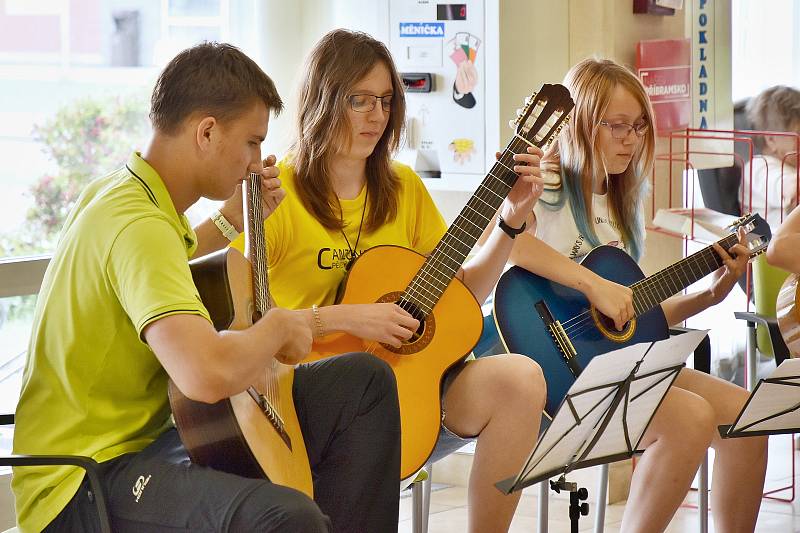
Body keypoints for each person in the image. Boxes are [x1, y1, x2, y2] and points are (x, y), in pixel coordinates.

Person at [12, 42, 402, 533]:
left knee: (361, 383)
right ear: (207, 131)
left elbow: (169, 261)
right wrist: (283, 325)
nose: (259, 160)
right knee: (287, 518)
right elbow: (204, 374)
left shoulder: (124, 193)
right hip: (82, 484)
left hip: (145, 443)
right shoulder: (139, 225)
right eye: (252, 142)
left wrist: (235, 222)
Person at [207, 29, 547, 532]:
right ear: (323, 100)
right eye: (359, 100)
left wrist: (511, 223)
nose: (376, 116)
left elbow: (456, 298)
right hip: (307, 388)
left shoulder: (404, 188)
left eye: (385, 102)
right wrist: (346, 318)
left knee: (522, 378)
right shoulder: (282, 193)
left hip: (409, 383)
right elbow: (242, 320)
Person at [480, 58, 769, 532]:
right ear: (579, 123)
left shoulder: (621, 205)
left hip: (614, 363)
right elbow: (511, 243)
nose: (631, 139)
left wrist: (709, 297)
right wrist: (591, 283)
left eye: (638, 127)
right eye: (617, 126)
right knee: (690, 418)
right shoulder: (544, 183)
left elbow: (632, 314)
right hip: (545, 369)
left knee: (747, 424)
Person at [744, 85, 800, 229]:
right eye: (798, 133)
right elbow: (790, 188)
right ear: (771, 140)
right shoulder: (759, 166)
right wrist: (793, 188)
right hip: (765, 248)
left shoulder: (793, 167)